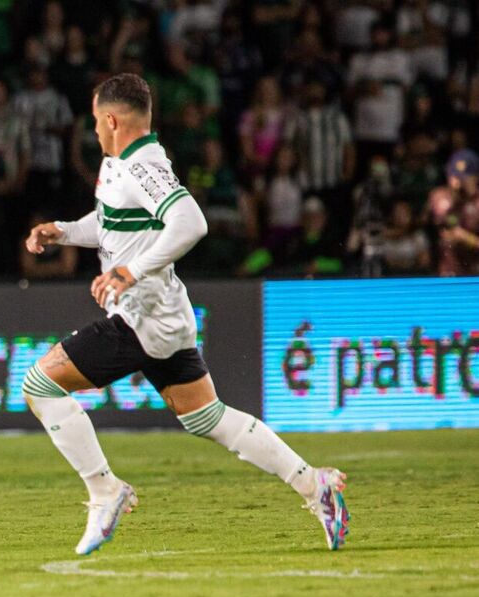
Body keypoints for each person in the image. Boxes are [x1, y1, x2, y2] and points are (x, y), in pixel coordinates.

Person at [22, 74, 348, 557]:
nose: (93, 130)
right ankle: (313, 484)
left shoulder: (144, 166)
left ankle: (105, 490)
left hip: (141, 316)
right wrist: (64, 232)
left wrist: (131, 271)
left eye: (94, 121)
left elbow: (191, 220)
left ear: (111, 120)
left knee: (40, 385)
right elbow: (114, 223)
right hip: (162, 314)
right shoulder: (121, 164)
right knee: (206, 417)